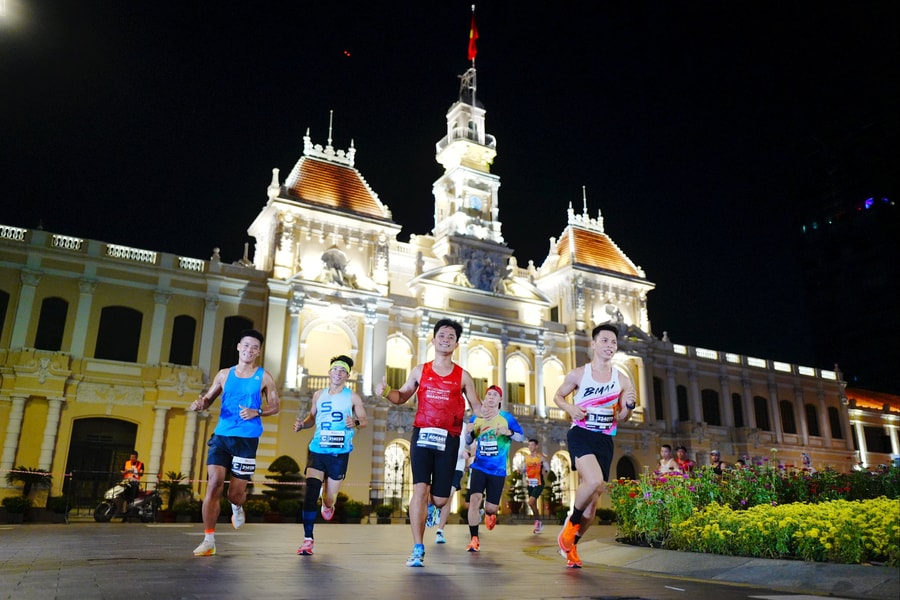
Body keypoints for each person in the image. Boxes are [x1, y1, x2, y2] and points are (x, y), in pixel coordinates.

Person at [375, 318, 482, 567]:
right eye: (441, 335)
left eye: (451, 337)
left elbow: (476, 406)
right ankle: (417, 547)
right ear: (433, 340)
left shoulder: (463, 376)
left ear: (456, 344)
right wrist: (386, 390)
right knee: (419, 490)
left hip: (450, 439)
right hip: (422, 435)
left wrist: (487, 416)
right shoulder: (419, 370)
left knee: (441, 499)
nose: (445, 340)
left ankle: (435, 506)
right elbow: (401, 397)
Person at [188, 329, 281, 557]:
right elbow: (208, 400)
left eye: (254, 347)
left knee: (234, 494)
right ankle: (209, 539)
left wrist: (256, 411)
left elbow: (275, 406)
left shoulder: (264, 376)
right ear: (239, 346)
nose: (249, 350)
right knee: (214, 483)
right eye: (246, 345)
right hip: (222, 436)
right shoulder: (224, 374)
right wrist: (200, 404)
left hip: (247, 441)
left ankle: (237, 506)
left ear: (258, 352)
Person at [555, 323, 637, 569]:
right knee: (593, 481)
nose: (609, 346)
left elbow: (622, 417)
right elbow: (559, 396)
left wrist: (629, 407)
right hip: (581, 433)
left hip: (604, 439)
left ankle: (573, 545)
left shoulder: (622, 380)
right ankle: (570, 527)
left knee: (593, 507)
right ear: (593, 344)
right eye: (604, 341)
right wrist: (570, 408)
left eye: (613, 342)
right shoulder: (579, 374)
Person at [293, 355, 368, 556]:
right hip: (317, 449)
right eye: (335, 369)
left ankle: (328, 505)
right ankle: (308, 539)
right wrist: (302, 425)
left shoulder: (352, 397)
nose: (337, 373)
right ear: (329, 372)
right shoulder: (318, 395)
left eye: (342, 370)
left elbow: (363, 420)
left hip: (339, 453)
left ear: (347, 375)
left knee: (327, 499)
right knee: (311, 492)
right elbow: (312, 418)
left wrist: (356, 423)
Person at [463, 385, 526, 552]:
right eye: (488, 394)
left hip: (497, 470)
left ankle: (491, 514)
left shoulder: (506, 417)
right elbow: (469, 442)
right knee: (474, 500)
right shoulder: (476, 418)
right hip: (479, 466)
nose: (491, 397)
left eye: (495, 395)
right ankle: (474, 539)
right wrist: (468, 433)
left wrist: (509, 432)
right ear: (484, 399)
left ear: (499, 400)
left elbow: (521, 437)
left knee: (491, 507)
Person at [435, 441, 472, 544]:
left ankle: (440, 531)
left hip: (457, 467)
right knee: (439, 496)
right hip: (441, 464)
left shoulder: (465, 427)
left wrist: (468, 454)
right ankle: (437, 508)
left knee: (449, 495)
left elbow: (473, 445)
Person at [523, 438, 550, 534]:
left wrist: (544, 471)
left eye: (532, 445)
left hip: (539, 483)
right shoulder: (526, 458)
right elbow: (523, 469)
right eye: (529, 445)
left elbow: (547, 468)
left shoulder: (541, 458)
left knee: (530, 502)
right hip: (530, 483)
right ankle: (538, 522)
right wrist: (520, 470)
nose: (530, 447)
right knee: (533, 504)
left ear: (536, 446)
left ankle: (538, 522)